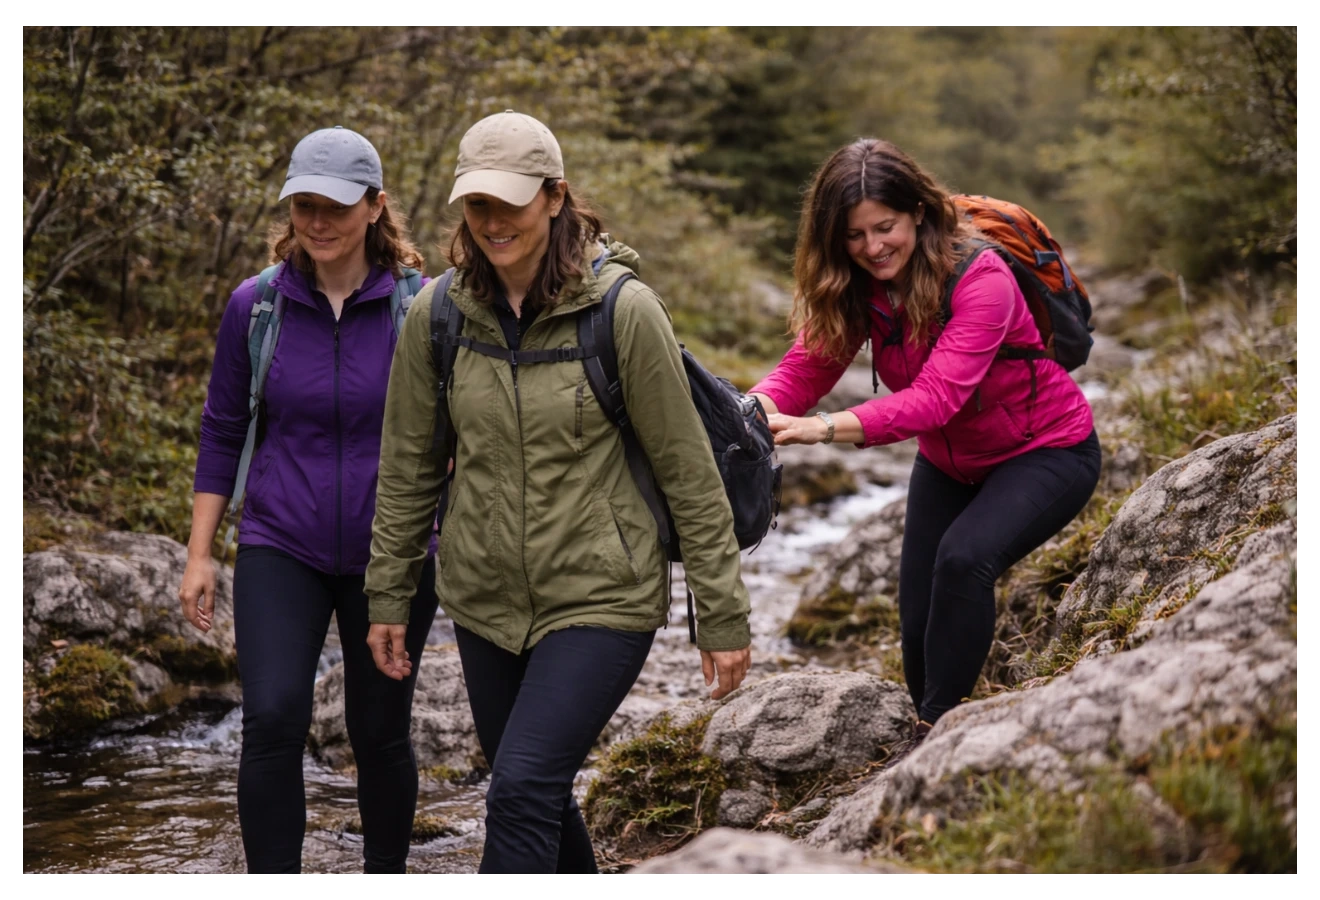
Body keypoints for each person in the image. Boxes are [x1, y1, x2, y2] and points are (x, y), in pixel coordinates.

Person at [362, 109, 753, 878]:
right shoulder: (435, 316)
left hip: (602, 593)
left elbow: (687, 472)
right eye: (478, 205)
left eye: (510, 202)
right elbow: (408, 467)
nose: (493, 222)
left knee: (518, 791)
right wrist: (388, 595)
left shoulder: (622, 312)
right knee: (535, 790)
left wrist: (722, 612)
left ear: (554, 196)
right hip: (481, 599)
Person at [748, 137, 1100, 745]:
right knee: (917, 616)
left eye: (884, 227)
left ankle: (938, 736)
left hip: (1048, 450)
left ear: (917, 210)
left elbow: (937, 398)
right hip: (948, 462)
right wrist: (746, 411)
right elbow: (804, 370)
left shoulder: (980, 275)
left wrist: (824, 429)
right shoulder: (857, 284)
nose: (872, 248)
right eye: (853, 237)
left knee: (964, 560)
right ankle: (926, 719)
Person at [177, 126, 440, 879]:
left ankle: (385, 872)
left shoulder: (420, 311)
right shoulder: (255, 308)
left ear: (375, 206)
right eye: (303, 206)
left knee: (379, 729)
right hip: (278, 544)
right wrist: (199, 554)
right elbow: (223, 430)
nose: (317, 222)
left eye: (334, 206)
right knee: (272, 720)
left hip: (389, 555)